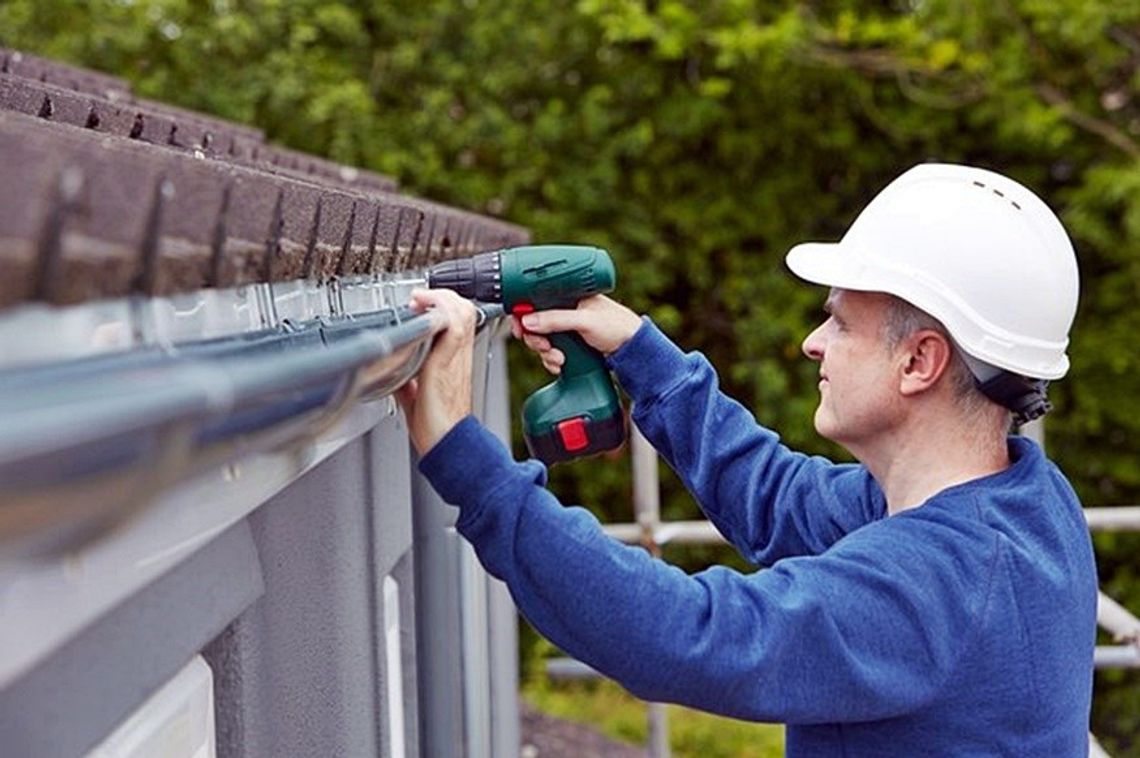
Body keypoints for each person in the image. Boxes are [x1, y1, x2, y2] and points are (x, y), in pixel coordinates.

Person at [396, 163, 1097, 755]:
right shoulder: (1023, 504)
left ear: (920, 361)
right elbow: (778, 498)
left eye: (840, 321)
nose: (812, 343)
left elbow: (681, 635)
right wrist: (642, 354)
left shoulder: (935, 585)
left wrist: (464, 454)